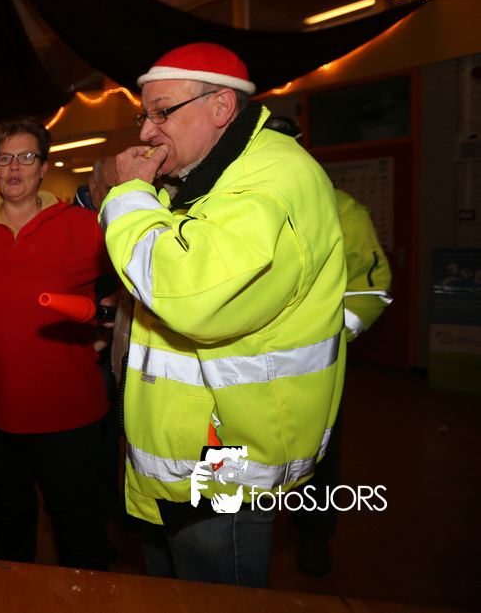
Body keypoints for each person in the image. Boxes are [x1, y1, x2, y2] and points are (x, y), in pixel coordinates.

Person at [99, 42, 346, 588]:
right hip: (186, 445)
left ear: (220, 107)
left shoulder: (270, 181)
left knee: (215, 589)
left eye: (162, 112)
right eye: (144, 116)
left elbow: (188, 293)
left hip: (225, 456)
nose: (147, 131)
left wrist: (129, 195)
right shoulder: (217, 173)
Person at [0, 116, 112, 572]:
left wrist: (107, 325)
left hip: (68, 413)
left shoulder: (85, 226)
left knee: (77, 523)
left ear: (44, 167)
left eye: (26, 157)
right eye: (5, 158)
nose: (14, 167)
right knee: (10, 523)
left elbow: (141, 278)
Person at [263, 116, 393, 575]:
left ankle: (314, 534)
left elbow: (370, 289)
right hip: (243, 366)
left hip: (312, 367)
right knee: (243, 457)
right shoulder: (233, 204)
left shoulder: (340, 208)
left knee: (319, 454)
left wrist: (326, 338)